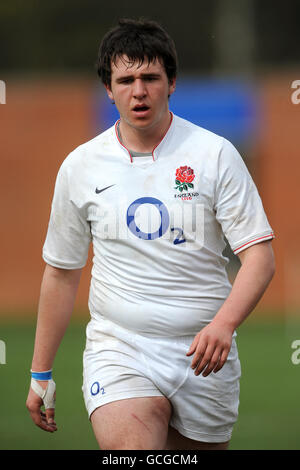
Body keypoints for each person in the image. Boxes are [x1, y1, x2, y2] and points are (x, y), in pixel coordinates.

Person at [26, 18, 275, 450]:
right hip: (120, 347)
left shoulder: (215, 154)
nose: (138, 91)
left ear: (171, 82)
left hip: (204, 356)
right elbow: (62, 273)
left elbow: (260, 257)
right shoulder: (80, 166)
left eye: (150, 78)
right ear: (109, 89)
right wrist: (39, 373)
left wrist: (224, 325)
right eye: (125, 80)